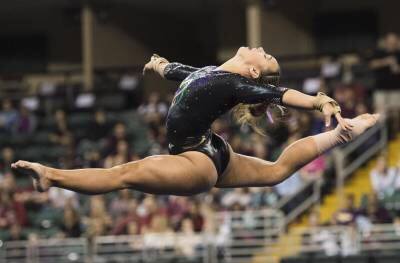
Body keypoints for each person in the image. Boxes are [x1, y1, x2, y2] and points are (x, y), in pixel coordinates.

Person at [12, 47, 379, 197]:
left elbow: (280, 94)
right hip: (211, 150)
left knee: (122, 174)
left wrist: (318, 101)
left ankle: (51, 175)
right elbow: (181, 73)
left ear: (252, 70)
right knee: (275, 171)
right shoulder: (211, 73)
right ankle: (341, 135)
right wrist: (160, 66)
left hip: (196, 160)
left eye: (264, 56)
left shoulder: (236, 83)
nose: (261, 48)